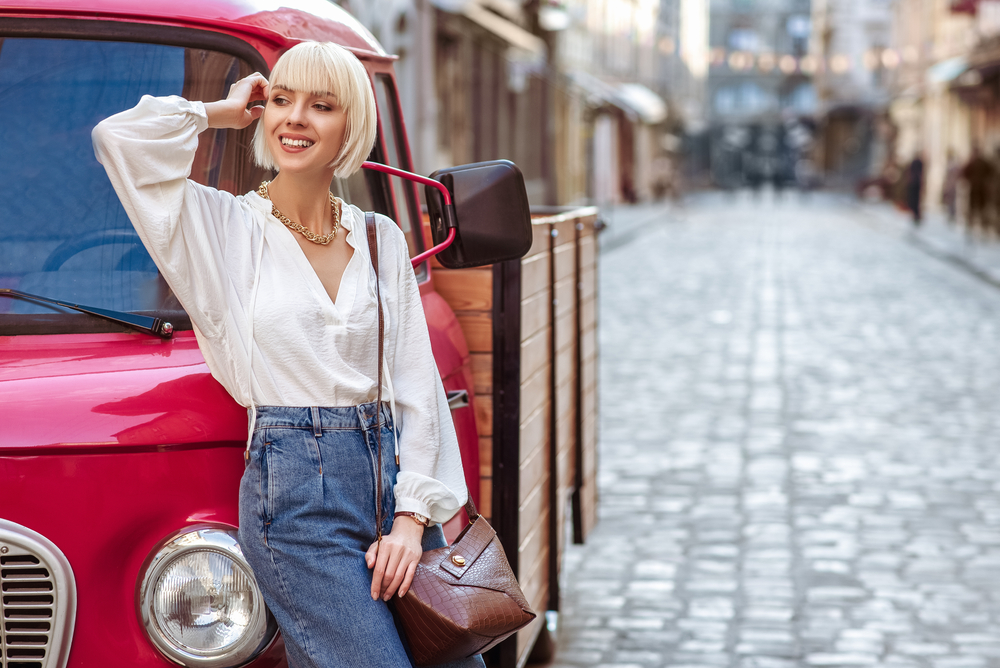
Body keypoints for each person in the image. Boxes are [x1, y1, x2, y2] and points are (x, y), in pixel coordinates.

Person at [93, 41, 485, 668]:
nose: (294, 118)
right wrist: (221, 110)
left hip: (391, 482)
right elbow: (120, 139)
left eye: (321, 105)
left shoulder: (381, 238)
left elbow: (417, 384)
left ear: (351, 127)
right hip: (297, 497)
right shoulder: (222, 230)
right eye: (281, 99)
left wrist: (413, 518)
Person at [961, 147, 994, 239]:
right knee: (976, 209)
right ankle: (977, 228)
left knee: (978, 209)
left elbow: (964, 173)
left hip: (979, 189)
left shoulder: (977, 162)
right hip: (978, 189)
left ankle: (979, 228)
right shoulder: (977, 162)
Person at [905, 152, 924, 225]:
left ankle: (916, 215)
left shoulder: (918, 163)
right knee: (913, 199)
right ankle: (915, 214)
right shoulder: (917, 163)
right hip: (914, 183)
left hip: (915, 183)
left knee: (915, 200)